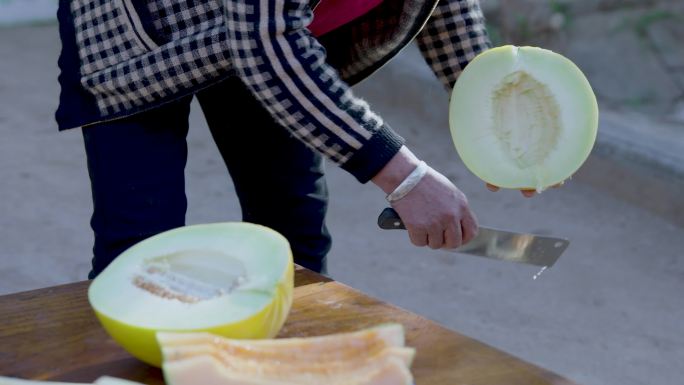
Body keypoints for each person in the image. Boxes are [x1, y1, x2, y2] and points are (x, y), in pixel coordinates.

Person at [55, 0, 522, 278]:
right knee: (140, 256)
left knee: (292, 237)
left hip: (256, 28)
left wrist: (498, 117)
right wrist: (406, 178)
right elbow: (267, 41)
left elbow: (446, 5)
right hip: (136, 33)